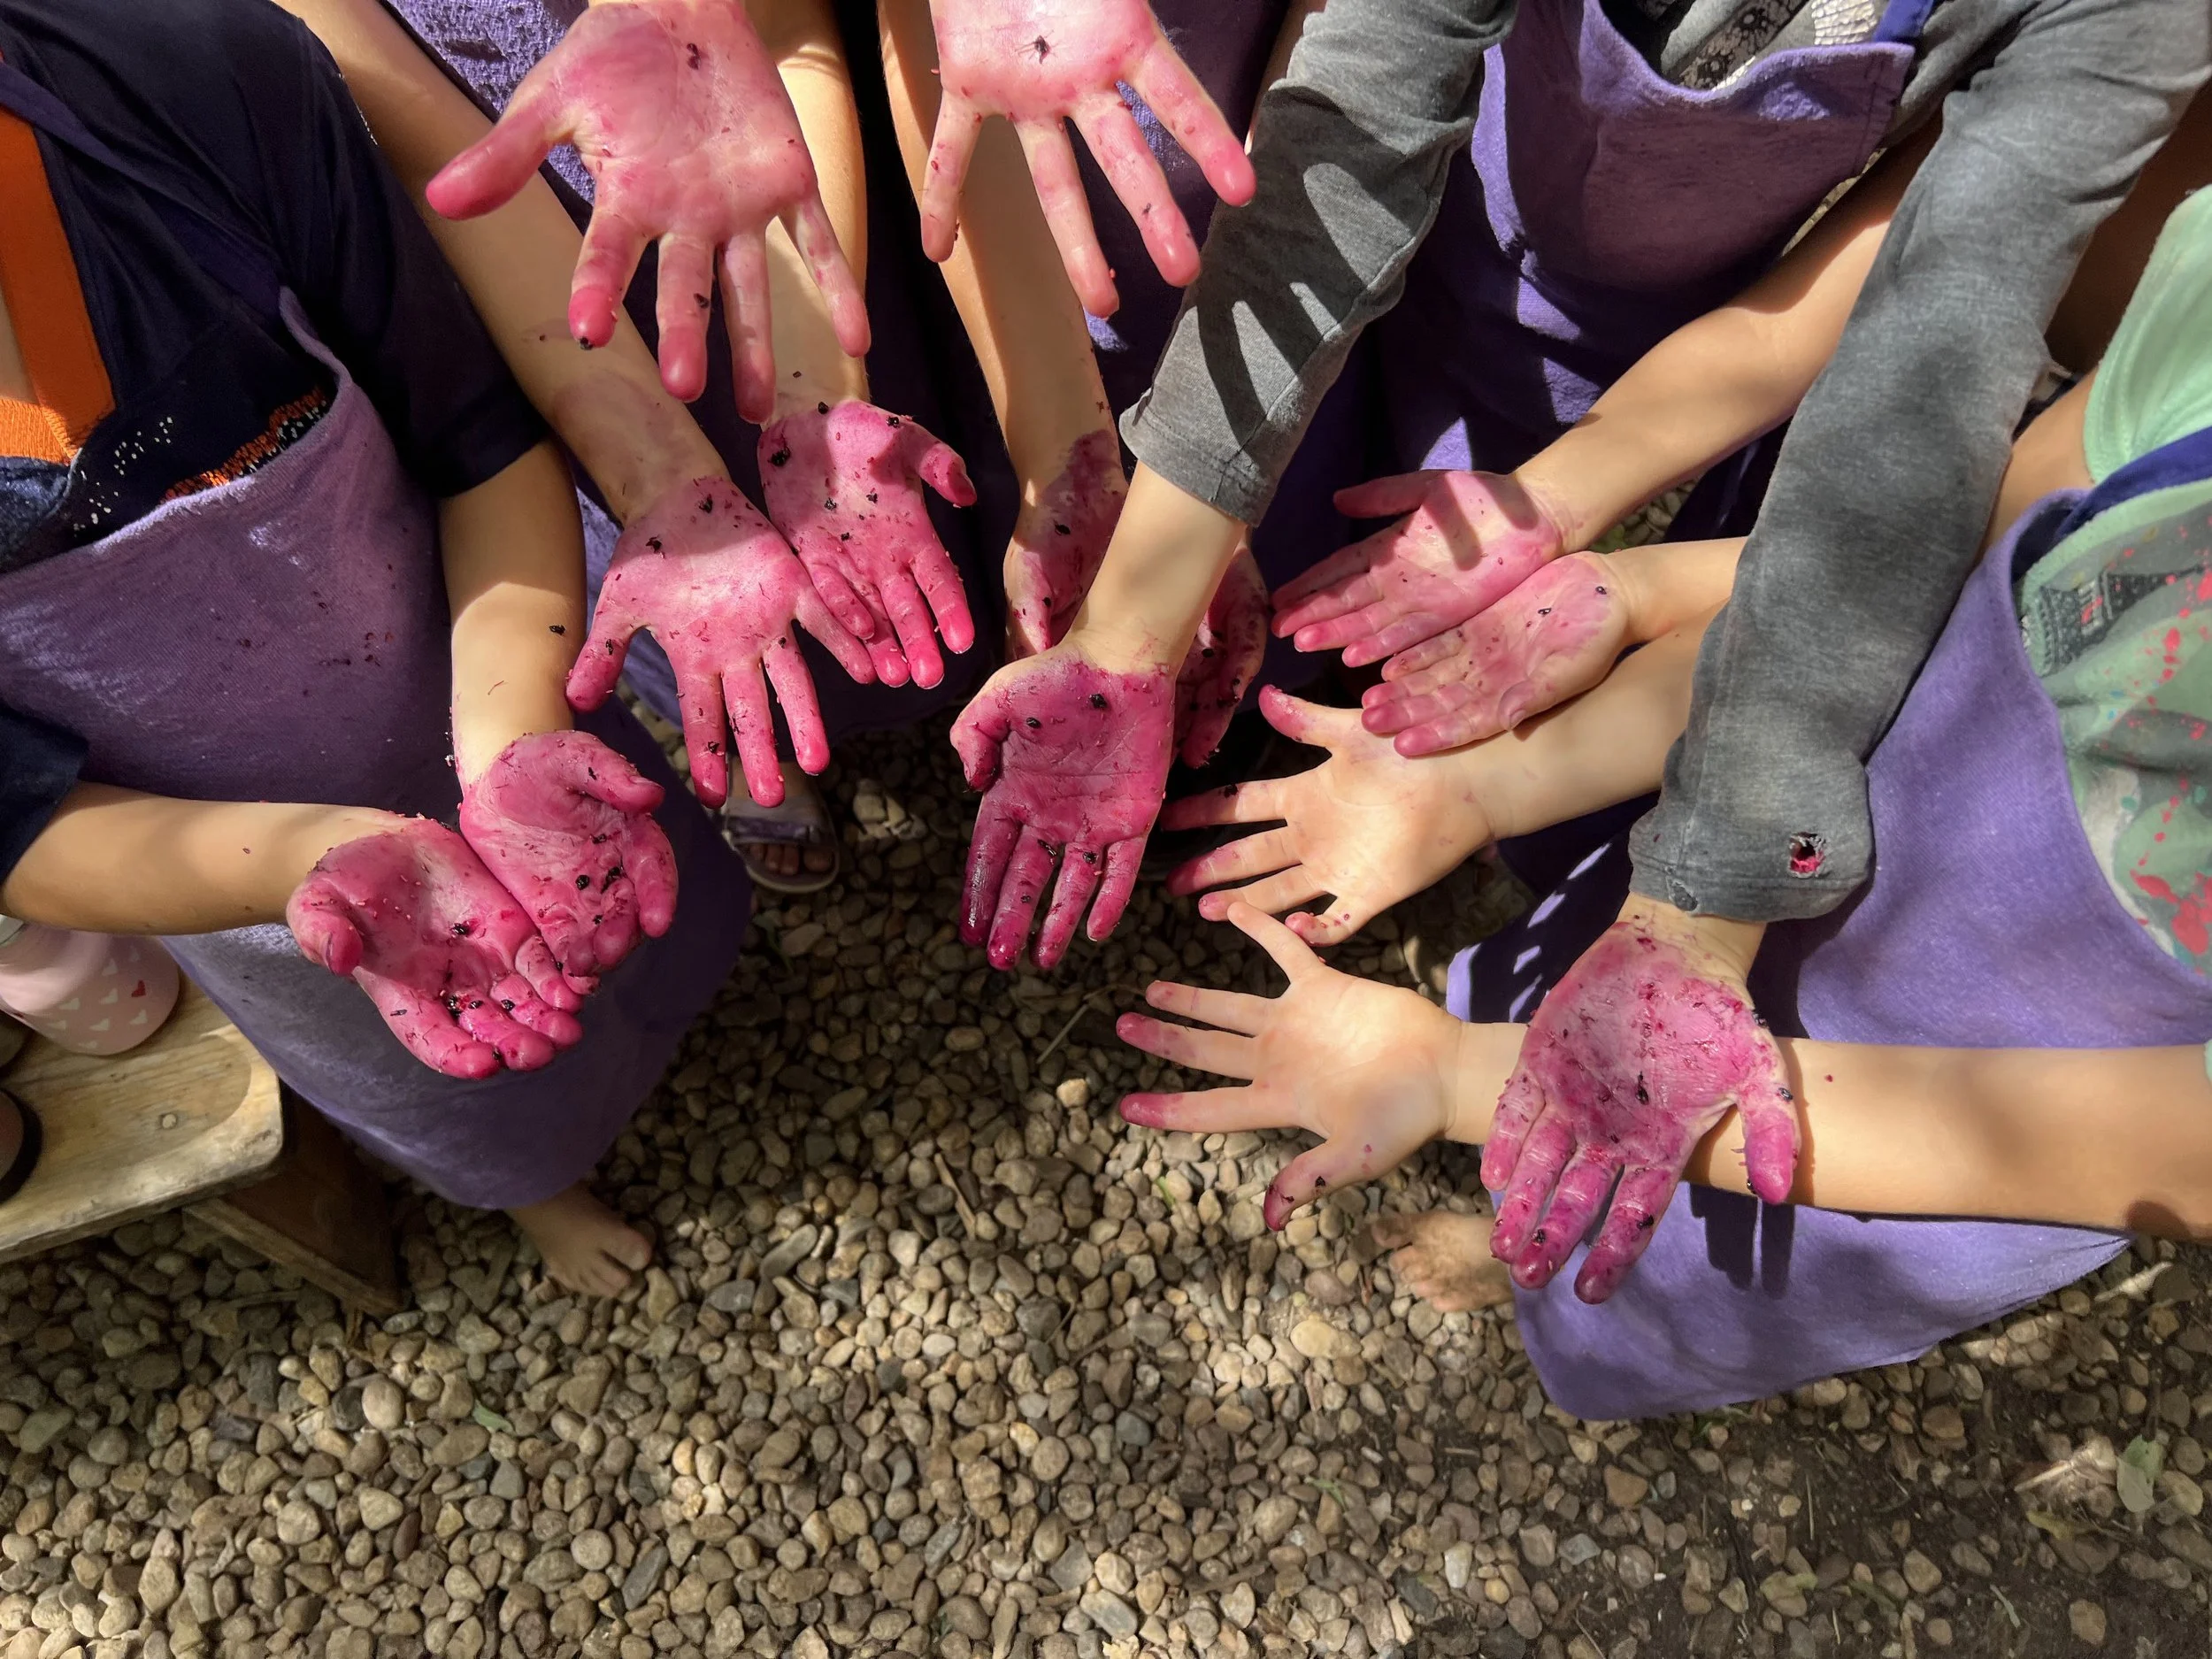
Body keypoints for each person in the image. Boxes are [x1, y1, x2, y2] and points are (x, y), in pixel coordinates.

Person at [1121, 181, 2212, 1417]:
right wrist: (1556, 697)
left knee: (1680, 1269)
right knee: (1576, 1009)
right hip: (1794, 826)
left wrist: (1443, 1071)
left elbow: (2068, 1143)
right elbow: (1916, 571)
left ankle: (1530, 1252)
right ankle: (1513, 1197)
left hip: (1907, 1140)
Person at [0, 0, 749, 1294]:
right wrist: (308, 857)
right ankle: (538, 1189)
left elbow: (478, 439)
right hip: (257, 890)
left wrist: (512, 735)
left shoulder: (198, 75)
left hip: (484, 669)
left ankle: (681, 1013)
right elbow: (20, 823)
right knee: (455, 1077)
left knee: (632, 908)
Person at [293, 0, 989, 895]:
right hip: (538, 299)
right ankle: (753, 741)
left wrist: (815, 393)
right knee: (680, 579)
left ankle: (918, 673)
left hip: (773, 200)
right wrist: (657, 472)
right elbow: (439, 151)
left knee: (865, 501)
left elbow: (785, 36)